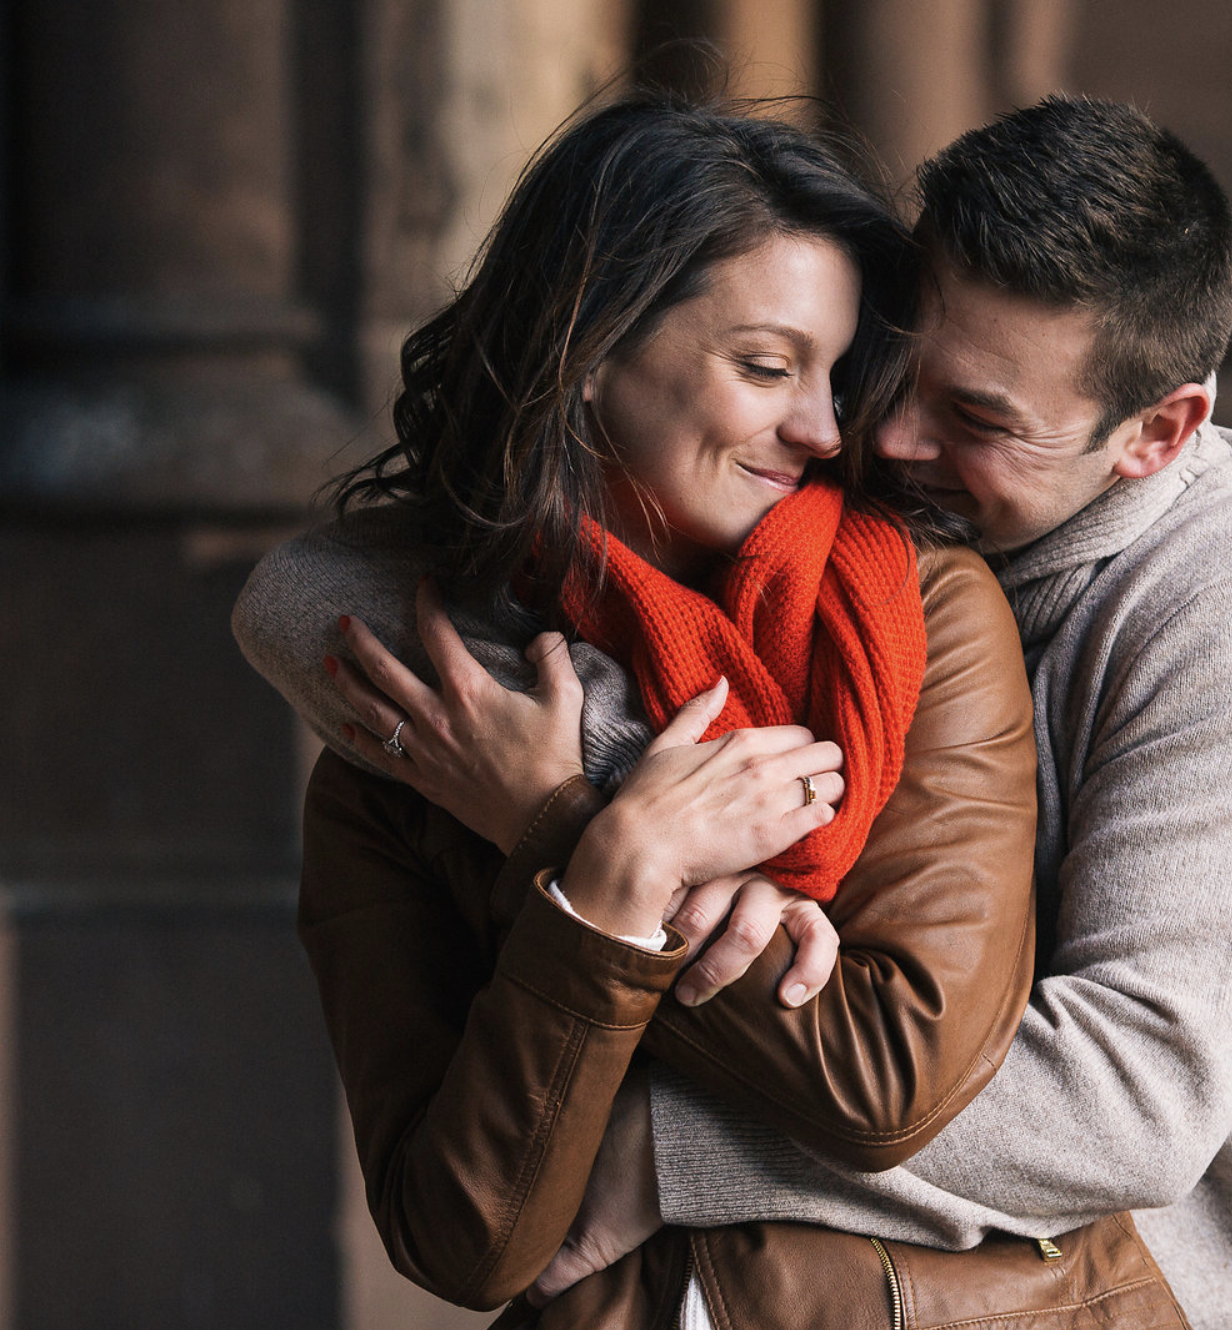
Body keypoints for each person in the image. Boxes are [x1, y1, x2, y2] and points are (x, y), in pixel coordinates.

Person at [232, 96, 1047, 1326]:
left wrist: (559, 828)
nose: (824, 431)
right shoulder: (411, 728)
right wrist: (619, 888)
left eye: (836, 375)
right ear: (591, 353)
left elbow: (889, 1082)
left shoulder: (917, 614)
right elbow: (462, 1237)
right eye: (768, 368)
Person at [618, 96, 1232, 1330]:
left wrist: (663, 1155)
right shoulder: (811, 435)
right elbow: (316, 589)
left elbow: (1126, 1101)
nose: (888, 436)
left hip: (1175, 1298)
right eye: (896, 368)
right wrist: (589, 804)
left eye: (980, 419)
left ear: (1156, 432)